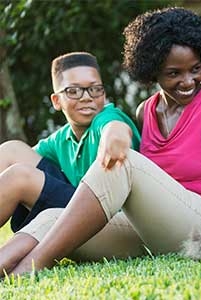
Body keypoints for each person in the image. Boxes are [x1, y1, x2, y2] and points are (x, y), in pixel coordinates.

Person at [4, 7, 201, 276]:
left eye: (195, 70)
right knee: (52, 216)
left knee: (126, 162)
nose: (188, 81)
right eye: (174, 73)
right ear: (152, 71)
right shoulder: (145, 112)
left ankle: (31, 268)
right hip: (153, 228)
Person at [0, 52, 144, 271]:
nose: (86, 97)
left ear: (103, 94)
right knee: (11, 150)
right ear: (57, 100)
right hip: (76, 208)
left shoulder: (105, 119)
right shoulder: (63, 138)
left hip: (111, 218)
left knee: (20, 177)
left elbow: (113, 126)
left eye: (95, 89)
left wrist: (116, 134)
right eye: (73, 91)